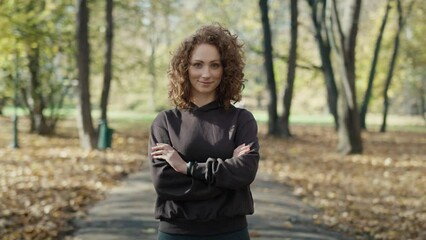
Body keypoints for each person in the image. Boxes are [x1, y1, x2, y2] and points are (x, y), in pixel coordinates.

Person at [148, 23, 260, 240]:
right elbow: (164, 184)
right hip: (177, 233)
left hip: (230, 233)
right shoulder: (166, 122)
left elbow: (245, 173)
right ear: (185, 68)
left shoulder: (241, 119)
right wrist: (227, 180)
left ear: (226, 69)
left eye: (215, 65)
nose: (206, 74)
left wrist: (186, 168)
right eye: (198, 65)